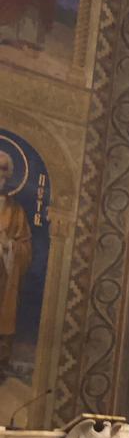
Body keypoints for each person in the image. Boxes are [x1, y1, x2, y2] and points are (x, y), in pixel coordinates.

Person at [0, 147, 33, 377]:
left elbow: (25, 248)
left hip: (3, 276)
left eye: (3, 170)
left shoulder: (16, 210)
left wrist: (9, 246)